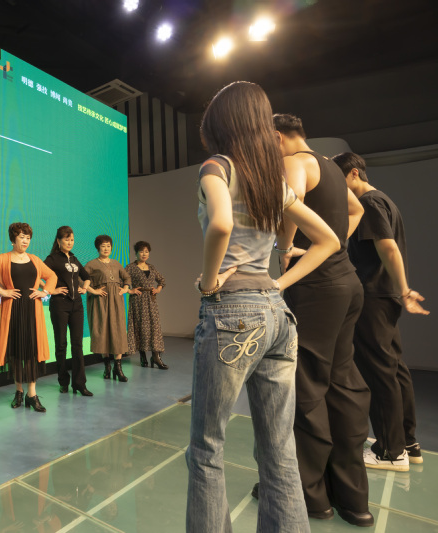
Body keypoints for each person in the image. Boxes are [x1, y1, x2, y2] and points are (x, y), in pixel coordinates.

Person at [186, 81, 340, 533]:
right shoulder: (272, 180)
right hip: (277, 315)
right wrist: (278, 283)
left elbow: (220, 223)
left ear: (220, 123)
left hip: (232, 313)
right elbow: (329, 240)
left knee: (206, 449)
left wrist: (209, 282)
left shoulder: (216, 167)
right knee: (279, 450)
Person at [269, 114, 373, 526]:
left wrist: (286, 248)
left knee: (308, 384)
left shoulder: (294, 161)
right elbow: (357, 208)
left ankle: (311, 496)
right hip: (348, 282)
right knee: (344, 384)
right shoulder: (329, 165)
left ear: (278, 137)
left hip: (317, 288)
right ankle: (353, 499)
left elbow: (289, 204)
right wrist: (335, 243)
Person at [333, 152, 429, 472]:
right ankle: (407, 442)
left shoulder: (369, 203)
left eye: (338, 179)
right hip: (383, 295)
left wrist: (404, 289)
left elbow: (387, 246)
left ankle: (390, 451)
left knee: (379, 372)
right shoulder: (383, 200)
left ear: (354, 173)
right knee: (395, 369)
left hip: (374, 296)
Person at [0, 222, 57, 411]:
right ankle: (19, 392)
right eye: (22, 237)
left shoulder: (35, 259)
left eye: (28, 238)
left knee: (32, 351)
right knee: (15, 352)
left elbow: (52, 276)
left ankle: (32, 394)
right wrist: (2, 291)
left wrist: (44, 292)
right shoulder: (2, 259)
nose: (25, 241)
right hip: (12, 311)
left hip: (32, 311)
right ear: (13, 239)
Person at [43, 226, 93, 396]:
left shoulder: (74, 258)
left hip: (77, 306)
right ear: (58, 241)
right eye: (66, 239)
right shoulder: (52, 259)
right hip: (60, 305)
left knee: (77, 344)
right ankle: (63, 381)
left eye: (72, 239)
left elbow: (87, 277)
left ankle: (79, 384)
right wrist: (51, 290)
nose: (70, 242)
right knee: (61, 344)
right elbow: (38, 275)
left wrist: (84, 288)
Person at [84, 235, 132, 382]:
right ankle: (107, 367)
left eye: (108, 246)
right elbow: (80, 279)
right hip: (100, 301)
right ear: (98, 248)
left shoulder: (116, 263)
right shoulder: (91, 264)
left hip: (116, 301)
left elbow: (127, 278)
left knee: (118, 331)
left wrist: (125, 288)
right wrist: (93, 291)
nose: (106, 248)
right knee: (103, 331)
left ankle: (118, 368)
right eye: (103, 246)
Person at [125, 241, 168, 369]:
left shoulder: (151, 267)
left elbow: (162, 280)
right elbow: (121, 282)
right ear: (136, 253)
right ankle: (142, 355)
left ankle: (156, 356)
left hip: (151, 300)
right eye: (141, 251)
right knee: (140, 327)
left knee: (154, 327)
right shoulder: (130, 267)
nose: (144, 254)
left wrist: (158, 289)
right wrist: (130, 291)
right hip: (138, 301)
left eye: (146, 252)